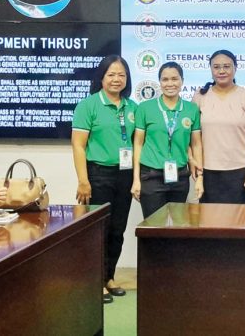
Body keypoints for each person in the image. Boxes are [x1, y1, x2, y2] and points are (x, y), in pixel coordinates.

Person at [71, 54, 137, 303]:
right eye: (111, 74)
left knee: (117, 229)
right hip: (97, 174)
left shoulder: (132, 108)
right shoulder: (87, 105)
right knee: (99, 230)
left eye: (121, 74)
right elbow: (78, 146)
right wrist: (83, 180)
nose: (116, 79)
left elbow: (137, 143)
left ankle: (109, 277)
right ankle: (95, 281)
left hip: (125, 175)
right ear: (101, 77)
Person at [131, 62, 203, 218]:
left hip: (180, 177)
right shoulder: (145, 108)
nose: (170, 84)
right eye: (165, 79)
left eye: (174, 79)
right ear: (160, 82)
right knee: (153, 227)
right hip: (151, 176)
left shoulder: (191, 109)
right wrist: (136, 179)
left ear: (182, 81)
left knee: (177, 229)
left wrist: (200, 178)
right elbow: (137, 144)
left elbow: (196, 144)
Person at [193, 50, 245, 204]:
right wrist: (197, 170)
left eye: (227, 66)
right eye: (216, 67)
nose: (222, 71)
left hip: (241, 171)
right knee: (210, 223)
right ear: (211, 69)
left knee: (239, 224)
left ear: (235, 68)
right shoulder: (199, 96)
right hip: (208, 172)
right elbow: (194, 136)